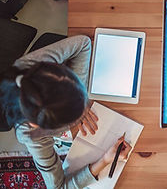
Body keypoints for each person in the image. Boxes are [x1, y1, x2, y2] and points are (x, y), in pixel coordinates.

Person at [0, 35, 132, 188]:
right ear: (41, 127)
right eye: (73, 119)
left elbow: (83, 43)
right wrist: (104, 161)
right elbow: (57, 187)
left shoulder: (32, 66)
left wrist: (80, 102)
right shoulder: (31, 135)